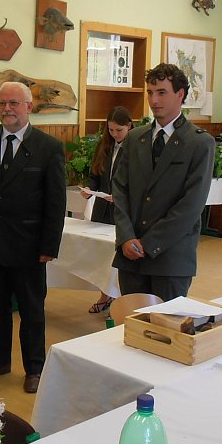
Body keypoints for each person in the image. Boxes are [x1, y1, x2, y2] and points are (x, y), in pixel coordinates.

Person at [0, 81, 67, 393]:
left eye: (13, 103)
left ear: (29, 107)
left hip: (29, 246)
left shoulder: (48, 147)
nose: (7, 109)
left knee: (32, 312)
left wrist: (49, 245)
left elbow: (56, 202)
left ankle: (34, 368)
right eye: (2, 104)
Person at [111, 63, 215, 300]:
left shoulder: (199, 143)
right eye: (150, 92)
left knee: (166, 322)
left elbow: (191, 205)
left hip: (171, 257)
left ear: (180, 94)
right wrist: (126, 237)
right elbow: (120, 189)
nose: (154, 100)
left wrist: (149, 243)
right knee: (132, 319)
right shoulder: (135, 138)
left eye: (161, 92)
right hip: (131, 255)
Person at [81, 105, 134, 314]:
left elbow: (137, 182)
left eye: (119, 130)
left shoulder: (135, 147)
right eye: (111, 130)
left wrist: (120, 197)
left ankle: (117, 298)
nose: (114, 134)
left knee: (118, 255)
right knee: (102, 256)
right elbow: (95, 174)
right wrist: (89, 189)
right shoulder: (105, 145)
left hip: (123, 210)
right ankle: (106, 295)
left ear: (129, 126)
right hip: (102, 208)